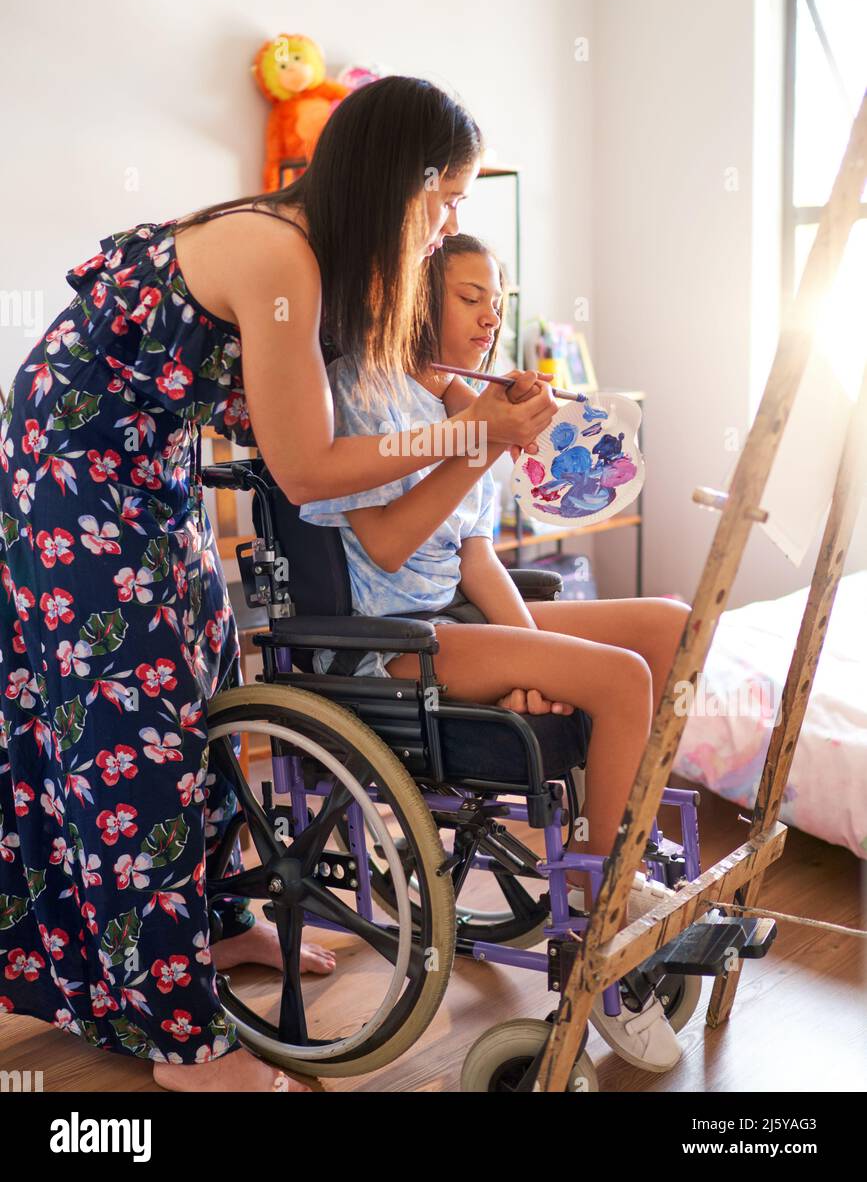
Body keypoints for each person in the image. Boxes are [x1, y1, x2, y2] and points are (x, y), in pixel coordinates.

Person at [0, 77, 559, 1094]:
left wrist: (463, 409)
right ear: (404, 182)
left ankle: (222, 923)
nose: (450, 227)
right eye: (448, 200)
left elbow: (333, 432)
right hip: (73, 468)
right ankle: (181, 1040)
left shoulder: (309, 261)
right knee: (133, 739)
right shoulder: (278, 253)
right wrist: (474, 433)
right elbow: (307, 470)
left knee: (207, 684)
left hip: (144, 463)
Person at [301, 232, 693, 1072]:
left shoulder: (461, 399)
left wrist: (523, 655)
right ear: (419, 302)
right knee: (621, 678)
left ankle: (616, 833)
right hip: (393, 640)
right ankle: (604, 900)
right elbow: (397, 549)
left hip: (460, 625)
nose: (490, 318)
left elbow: (478, 559)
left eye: (499, 300)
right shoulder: (363, 394)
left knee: (670, 622)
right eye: (470, 297)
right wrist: (475, 438)